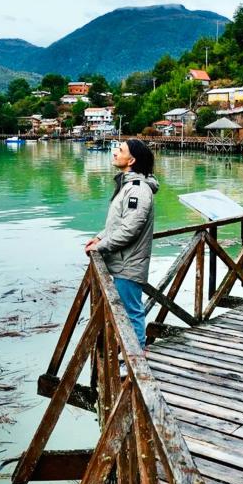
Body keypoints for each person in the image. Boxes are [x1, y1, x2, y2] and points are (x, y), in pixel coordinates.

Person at [85, 139, 159, 352]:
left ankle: (135, 361)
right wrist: (100, 237)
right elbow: (120, 221)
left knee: (131, 312)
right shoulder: (128, 185)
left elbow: (130, 229)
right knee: (127, 311)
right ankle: (128, 356)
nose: (115, 152)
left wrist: (101, 246)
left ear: (132, 160)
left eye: (121, 150)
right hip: (122, 260)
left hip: (129, 262)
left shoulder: (137, 189)